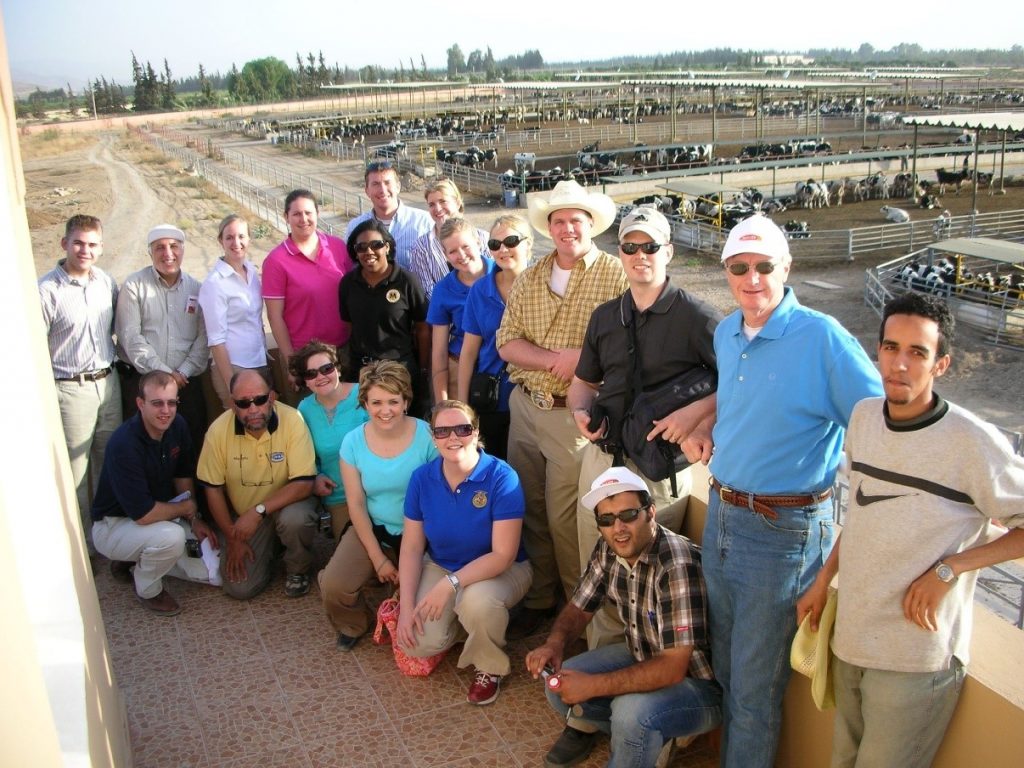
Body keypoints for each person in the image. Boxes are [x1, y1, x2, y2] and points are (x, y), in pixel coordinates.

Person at [796, 292, 1024, 768]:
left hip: (915, 660)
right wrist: (823, 581)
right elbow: (861, 511)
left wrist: (951, 569)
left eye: (917, 352)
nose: (899, 364)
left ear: (941, 364)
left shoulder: (972, 441)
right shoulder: (863, 418)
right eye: (890, 347)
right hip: (851, 640)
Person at [699, 214, 883, 768]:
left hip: (783, 533)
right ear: (726, 272)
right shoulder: (727, 331)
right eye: (739, 267)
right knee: (728, 668)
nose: (751, 278)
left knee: (755, 692)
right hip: (723, 517)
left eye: (763, 266)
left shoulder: (824, 338)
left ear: (787, 268)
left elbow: (877, 427)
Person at [567, 206, 721, 649]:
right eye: (630, 246)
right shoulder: (605, 316)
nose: (640, 255)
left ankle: (646, 686)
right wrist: (580, 411)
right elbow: (584, 382)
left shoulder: (697, 316)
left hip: (656, 472)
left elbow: (739, 379)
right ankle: (604, 667)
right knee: (597, 570)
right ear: (620, 253)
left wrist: (695, 415)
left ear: (668, 251)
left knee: (652, 582)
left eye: (650, 246)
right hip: (602, 459)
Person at [496, 180, 628, 636]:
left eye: (576, 219)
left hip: (569, 415)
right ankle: (540, 597)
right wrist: (558, 359)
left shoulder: (615, 275)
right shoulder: (531, 276)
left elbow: (626, 343)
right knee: (529, 507)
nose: (567, 227)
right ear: (548, 227)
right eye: (559, 220)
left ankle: (577, 613)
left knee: (566, 517)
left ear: (590, 224)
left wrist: (583, 364)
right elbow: (506, 340)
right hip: (525, 407)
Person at [525, 466, 721, 768]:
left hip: (698, 685)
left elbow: (672, 669)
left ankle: (643, 734)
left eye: (628, 515)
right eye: (606, 519)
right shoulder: (609, 548)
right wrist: (554, 644)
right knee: (559, 683)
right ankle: (651, 738)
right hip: (644, 654)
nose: (618, 528)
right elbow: (579, 607)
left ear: (650, 512)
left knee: (632, 712)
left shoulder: (675, 564)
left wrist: (593, 686)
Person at [397, 400, 532, 705]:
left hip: (502, 570)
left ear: (476, 432)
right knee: (417, 643)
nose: (452, 437)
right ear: (433, 437)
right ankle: (477, 626)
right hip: (442, 564)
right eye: (442, 431)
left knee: (478, 602)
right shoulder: (421, 479)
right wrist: (407, 607)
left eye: (462, 428)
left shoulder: (502, 477)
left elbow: (503, 555)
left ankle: (489, 666)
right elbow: (412, 546)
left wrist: (450, 585)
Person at [319, 361, 437, 650]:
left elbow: (438, 498)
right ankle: (353, 622)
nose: (386, 410)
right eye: (377, 402)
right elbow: (356, 504)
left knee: (426, 605)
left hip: (423, 532)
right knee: (332, 585)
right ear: (365, 404)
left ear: (406, 401)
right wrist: (377, 558)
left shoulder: (428, 437)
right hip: (376, 527)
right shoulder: (352, 443)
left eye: (393, 401)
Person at [90, 371, 219, 616]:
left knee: (208, 569)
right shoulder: (124, 444)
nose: (165, 411)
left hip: (158, 513)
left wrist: (195, 518)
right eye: (157, 403)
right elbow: (143, 515)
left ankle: (132, 558)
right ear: (140, 404)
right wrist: (185, 510)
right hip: (115, 525)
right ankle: (148, 588)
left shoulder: (177, 425)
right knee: (171, 538)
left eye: (172, 403)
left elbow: (182, 474)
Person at [197, 369, 318, 600]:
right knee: (239, 588)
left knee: (295, 519)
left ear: (272, 397)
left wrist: (258, 511)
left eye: (260, 400)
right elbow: (212, 488)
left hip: (285, 506)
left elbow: (304, 484)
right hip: (248, 518)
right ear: (233, 404)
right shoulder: (217, 431)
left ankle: (297, 569)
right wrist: (232, 538)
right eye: (243, 403)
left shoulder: (292, 420)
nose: (253, 409)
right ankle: (272, 547)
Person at [38, 214, 121, 549]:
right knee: (77, 473)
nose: (85, 250)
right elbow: (37, 345)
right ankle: (82, 546)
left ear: (100, 248)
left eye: (91, 244)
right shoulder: (47, 291)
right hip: (71, 389)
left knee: (110, 461)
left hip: (108, 382)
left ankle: (108, 535)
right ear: (64, 244)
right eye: (78, 243)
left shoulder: (105, 282)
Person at [115, 224, 208, 463]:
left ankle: (193, 499)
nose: (168, 253)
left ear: (183, 250)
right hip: (143, 382)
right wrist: (167, 375)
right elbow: (130, 337)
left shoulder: (196, 289)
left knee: (192, 445)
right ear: (150, 252)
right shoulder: (134, 286)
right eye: (160, 248)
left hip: (187, 384)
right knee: (144, 450)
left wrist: (182, 373)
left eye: (173, 246)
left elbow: (204, 338)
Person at [263, 189, 354, 402]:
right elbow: (275, 318)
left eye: (308, 212)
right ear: (286, 217)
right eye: (296, 214)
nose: (303, 219)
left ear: (317, 213)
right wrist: (291, 363)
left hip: (344, 351)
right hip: (307, 361)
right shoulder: (276, 261)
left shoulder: (337, 247)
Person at [457, 214, 532, 460]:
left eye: (511, 241)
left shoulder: (543, 286)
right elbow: (468, 353)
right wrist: (462, 407)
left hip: (534, 399)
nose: (503, 249)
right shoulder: (481, 290)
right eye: (494, 244)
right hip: (493, 400)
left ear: (528, 244)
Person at [339, 220, 431, 416]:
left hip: (400, 370)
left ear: (387, 246)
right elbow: (349, 326)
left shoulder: (407, 281)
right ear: (355, 252)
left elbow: (423, 328)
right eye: (361, 247)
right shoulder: (348, 283)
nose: (369, 251)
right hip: (361, 371)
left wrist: (423, 369)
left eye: (376, 245)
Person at [289, 340, 368, 541]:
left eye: (326, 368)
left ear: (338, 369)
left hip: (375, 491)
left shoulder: (365, 395)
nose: (321, 377)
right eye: (311, 373)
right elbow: (305, 456)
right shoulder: (304, 410)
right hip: (338, 497)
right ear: (305, 381)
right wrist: (315, 477)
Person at [198, 214, 270, 410]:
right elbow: (216, 339)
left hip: (259, 361)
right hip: (234, 367)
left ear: (249, 239)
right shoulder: (215, 284)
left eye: (241, 236)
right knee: (242, 430)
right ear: (220, 241)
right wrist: (232, 384)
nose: (236, 242)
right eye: (229, 237)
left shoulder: (252, 273)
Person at [428, 218, 495, 405]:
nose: (461, 255)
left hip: (501, 366)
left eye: (466, 246)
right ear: (445, 254)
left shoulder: (500, 274)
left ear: (478, 242)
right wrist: (442, 402)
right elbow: (439, 351)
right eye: (453, 251)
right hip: (459, 367)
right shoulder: (443, 290)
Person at [407, 178, 488, 299]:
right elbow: (426, 289)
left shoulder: (484, 238)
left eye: (443, 201)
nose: (438, 209)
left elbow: (494, 278)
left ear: (457, 202)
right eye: (432, 205)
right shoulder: (421, 247)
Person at [344, 160, 432, 271]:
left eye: (387, 182)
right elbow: (350, 268)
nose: (382, 190)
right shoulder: (354, 227)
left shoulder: (424, 223)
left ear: (398, 186)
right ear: (367, 191)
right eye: (375, 184)